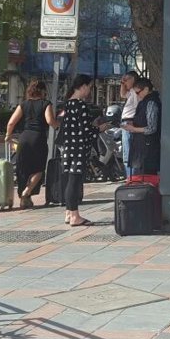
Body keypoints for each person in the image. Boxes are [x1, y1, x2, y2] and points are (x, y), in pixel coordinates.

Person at [4, 79, 57, 209]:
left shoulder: (23, 104)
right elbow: (50, 121)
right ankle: (26, 192)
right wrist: (59, 125)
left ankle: (25, 200)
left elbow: (11, 123)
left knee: (23, 169)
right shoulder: (46, 104)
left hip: (24, 138)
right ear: (43, 91)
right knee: (39, 169)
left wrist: (8, 136)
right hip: (38, 139)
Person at [56, 75, 100, 226]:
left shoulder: (67, 104)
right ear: (83, 86)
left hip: (68, 147)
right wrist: (99, 129)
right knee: (74, 181)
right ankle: (75, 215)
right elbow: (86, 130)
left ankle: (69, 213)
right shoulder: (80, 105)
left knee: (69, 179)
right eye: (89, 87)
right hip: (79, 148)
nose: (89, 91)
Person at [124, 77, 161, 175]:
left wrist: (134, 129)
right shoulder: (144, 102)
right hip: (141, 147)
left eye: (138, 92)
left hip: (148, 148)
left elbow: (151, 128)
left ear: (146, 89)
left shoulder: (151, 103)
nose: (137, 95)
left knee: (147, 175)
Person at [118, 71, 141, 177]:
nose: (125, 82)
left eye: (126, 80)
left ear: (133, 79)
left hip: (129, 121)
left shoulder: (136, 93)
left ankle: (131, 177)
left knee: (128, 152)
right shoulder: (131, 91)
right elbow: (123, 94)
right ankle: (131, 177)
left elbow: (137, 108)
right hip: (127, 121)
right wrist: (122, 84)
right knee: (127, 152)